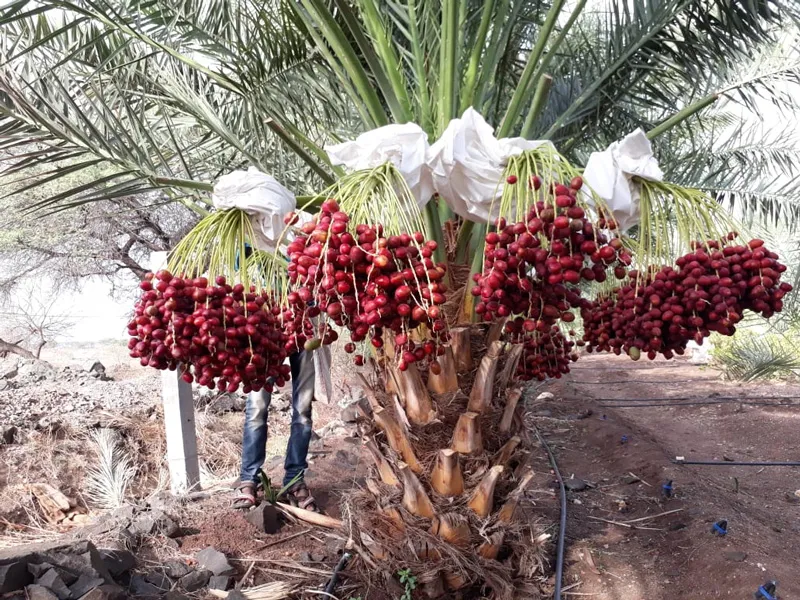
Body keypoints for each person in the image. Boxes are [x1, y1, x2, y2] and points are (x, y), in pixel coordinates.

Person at [232, 244, 319, 512]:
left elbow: (316, 276)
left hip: (302, 327)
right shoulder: (254, 235)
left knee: (303, 409)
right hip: (263, 327)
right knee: (257, 408)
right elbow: (238, 265)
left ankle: (295, 480)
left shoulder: (300, 235)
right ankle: (249, 480)